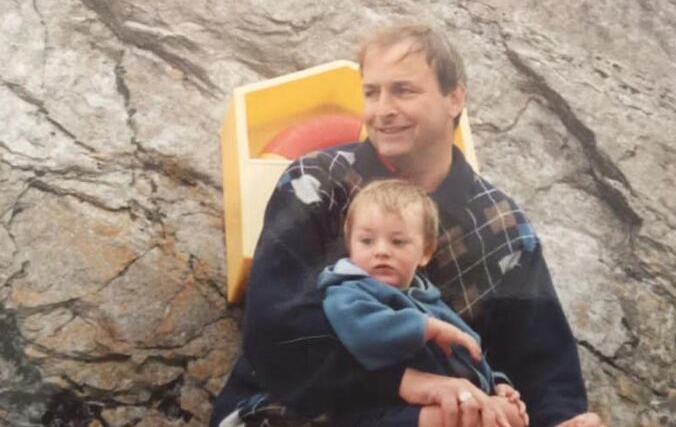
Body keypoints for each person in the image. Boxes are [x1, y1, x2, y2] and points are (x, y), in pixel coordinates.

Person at [211, 22, 607, 427]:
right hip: (288, 409)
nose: (382, 110)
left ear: (454, 98)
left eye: (403, 91)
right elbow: (275, 330)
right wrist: (409, 384)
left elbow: (543, 368)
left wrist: (562, 419)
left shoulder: (502, 228)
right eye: (372, 93)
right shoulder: (314, 183)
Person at [318, 179, 528, 427]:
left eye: (397, 242)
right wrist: (427, 327)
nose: (381, 251)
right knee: (475, 419)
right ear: (350, 244)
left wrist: (496, 383)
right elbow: (362, 330)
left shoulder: (428, 298)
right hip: (377, 409)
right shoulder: (348, 291)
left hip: (443, 398)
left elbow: (467, 349)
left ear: (426, 252)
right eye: (367, 241)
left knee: (511, 415)